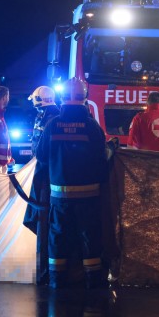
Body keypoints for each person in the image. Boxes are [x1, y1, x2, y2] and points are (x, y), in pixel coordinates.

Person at [35, 78, 110, 289]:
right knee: (90, 237)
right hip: (89, 197)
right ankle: (93, 283)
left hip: (59, 197)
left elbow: (40, 156)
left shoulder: (52, 125)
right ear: (85, 98)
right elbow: (101, 161)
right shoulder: (92, 127)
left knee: (58, 237)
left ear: (61, 98)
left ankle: (56, 282)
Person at [23, 85, 60, 285]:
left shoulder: (51, 117)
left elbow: (43, 150)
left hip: (46, 178)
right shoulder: (48, 114)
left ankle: (46, 270)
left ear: (40, 100)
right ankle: (44, 267)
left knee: (44, 221)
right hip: (43, 174)